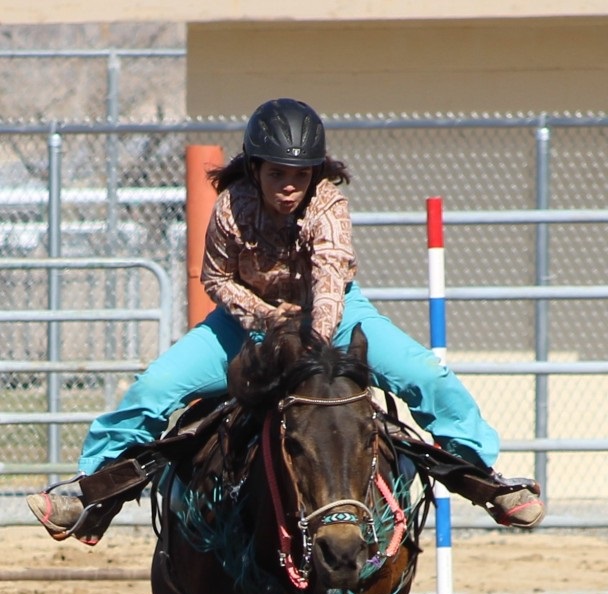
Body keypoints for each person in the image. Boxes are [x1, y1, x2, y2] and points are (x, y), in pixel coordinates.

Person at [27, 97, 544, 544]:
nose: (289, 186)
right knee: (155, 384)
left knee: (427, 376)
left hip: (335, 317)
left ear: (314, 174)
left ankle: (485, 476)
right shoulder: (231, 207)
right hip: (243, 322)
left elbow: (327, 282)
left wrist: (312, 345)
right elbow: (216, 280)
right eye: (278, 173)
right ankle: (88, 490)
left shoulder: (329, 206)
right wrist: (268, 320)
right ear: (255, 169)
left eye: (300, 175)